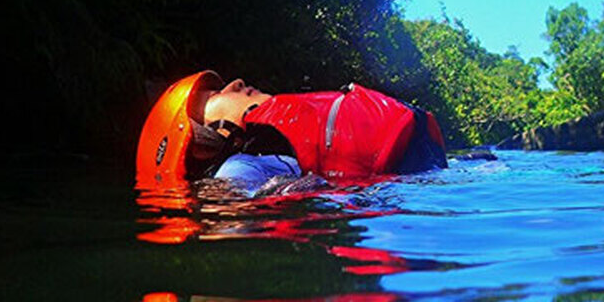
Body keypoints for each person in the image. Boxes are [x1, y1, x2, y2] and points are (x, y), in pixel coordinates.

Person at [137, 71, 447, 190]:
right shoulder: (236, 169)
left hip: (414, 174)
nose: (236, 83)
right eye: (215, 95)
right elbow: (230, 203)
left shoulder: (272, 153)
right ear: (201, 143)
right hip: (413, 184)